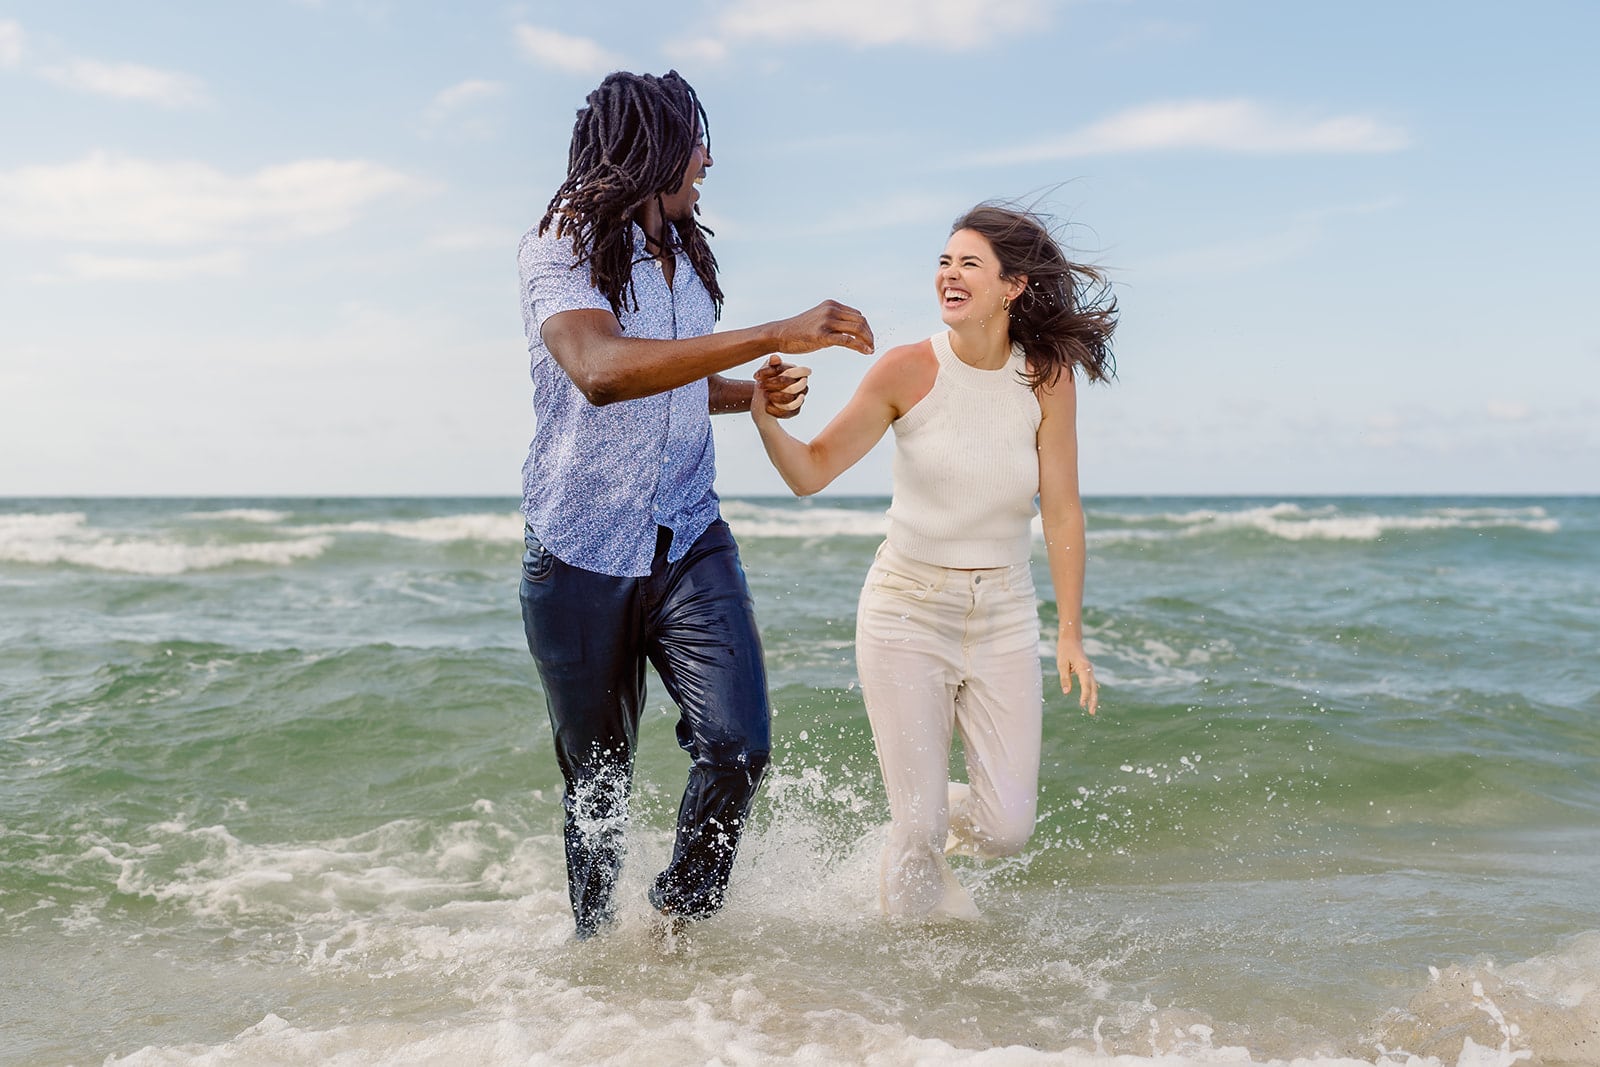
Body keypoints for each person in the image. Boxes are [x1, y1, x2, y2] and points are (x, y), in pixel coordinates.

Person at [517, 69, 874, 939]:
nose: (708, 160)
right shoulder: (559, 247)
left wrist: (750, 392)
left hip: (687, 534)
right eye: (694, 141)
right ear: (650, 148)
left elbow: (670, 380)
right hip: (578, 550)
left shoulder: (686, 251)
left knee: (739, 744)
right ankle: (593, 954)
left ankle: (677, 920)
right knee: (598, 784)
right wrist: (772, 332)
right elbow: (601, 370)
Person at [749, 203, 1115, 919]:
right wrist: (765, 420)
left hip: (1005, 611)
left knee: (1007, 829)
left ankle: (916, 822)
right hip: (907, 608)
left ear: (1012, 286)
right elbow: (811, 471)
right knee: (918, 832)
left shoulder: (1047, 377)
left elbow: (1062, 510)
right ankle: (910, 946)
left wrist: (1070, 631)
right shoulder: (907, 369)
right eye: (944, 262)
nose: (950, 274)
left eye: (969, 263)